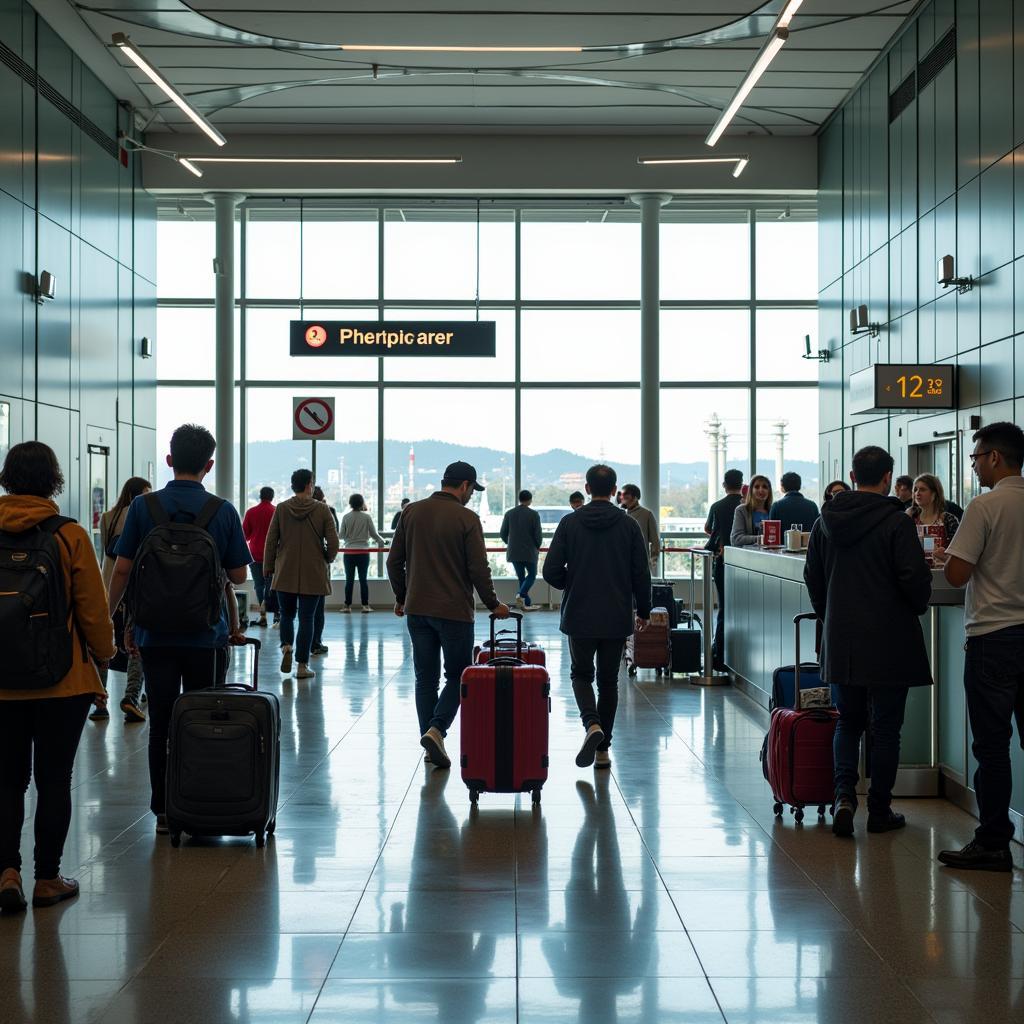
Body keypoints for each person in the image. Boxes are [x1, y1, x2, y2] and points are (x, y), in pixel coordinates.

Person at [107, 424, 251, 836]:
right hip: (206, 637)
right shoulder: (222, 511)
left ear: (169, 460)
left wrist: (108, 620)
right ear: (209, 464)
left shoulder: (143, 508)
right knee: (203, 719)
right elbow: (239, 576)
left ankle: (164, 811)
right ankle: (199, 801)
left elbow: (123, 568)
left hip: (154, 634)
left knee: (162, 722)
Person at [0, 442, 116, 911]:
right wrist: (105, 655)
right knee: (53, 780)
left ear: (7, 478)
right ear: (55, 480)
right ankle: (47, 878)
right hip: (62, 681)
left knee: (5, 781)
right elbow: (93, 609)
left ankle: (6, 872)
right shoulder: (69, 535)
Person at [804, 445, 932, 838]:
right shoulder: (897, 523)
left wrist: (831, 615)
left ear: (854, 475)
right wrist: (916, 603)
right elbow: (913, 579)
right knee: (887, 728)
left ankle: (844, 795)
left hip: (843, 639)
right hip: (891, 639)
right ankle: (880, 809)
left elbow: (813, 576)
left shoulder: (826, 521)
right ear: (888, 478)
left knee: (848, 723)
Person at [934, 423, 1024, 872]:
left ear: (993, 457)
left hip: (995, 637)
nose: (973, 466)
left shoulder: (985, 506)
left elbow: (955, 575)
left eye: (975, 458)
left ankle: (993, 842)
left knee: (992, 749)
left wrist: (952, 555)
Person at [386, 461, 510, 768]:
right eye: (472, 490)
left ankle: (430, 746)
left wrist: (402, 597)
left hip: (417, 609)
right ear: (465, 485)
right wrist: (493, 603)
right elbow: (478, 568)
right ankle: (436, 730)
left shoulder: (411, 512)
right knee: (458, 675)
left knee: (424, 679)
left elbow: (393, 562)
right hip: (454, 612)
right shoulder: (467, 518)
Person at [543, 464, 651, 769]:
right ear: (616, 491)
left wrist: (573, 583)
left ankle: (591, 724)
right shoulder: (629, 525)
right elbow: (641, 574)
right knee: (608, 681)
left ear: (587, 489)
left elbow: (550, 570)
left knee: (580, 674)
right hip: (616, 613)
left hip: (579, 612)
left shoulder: (569, 523)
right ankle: (603, 750)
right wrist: (643, 610)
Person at [263, 469, 339, 680]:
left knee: (286, 615)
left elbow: (271, 541)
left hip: (284, 570)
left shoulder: (282, 508)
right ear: (309, 485)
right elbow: (333, 542)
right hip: (313, 572)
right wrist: (327, 557)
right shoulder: (322, 510)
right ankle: (302, 666)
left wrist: (268, 566)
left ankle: (287, 646)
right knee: (307, 618)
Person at [93, 476, 151, 723]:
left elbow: (108, 552)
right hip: (135, 587)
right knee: (136, 642)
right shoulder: (142, 514)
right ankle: (132, 695)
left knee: (106, 642)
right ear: (140, 493)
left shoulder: (108, 517)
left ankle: (100, 702)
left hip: (109, 584)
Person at [704, 469, 744, 670]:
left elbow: (708, 528)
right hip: (745, 562)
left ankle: (719, 654)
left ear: (724, 485)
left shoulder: (717, 506)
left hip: (721, 560)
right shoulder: (746, 506)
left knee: (724, 608)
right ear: (742, 483)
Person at [340, 492, 385, 614]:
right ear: (361, 503)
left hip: (348, 552)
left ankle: (347, 606)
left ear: (350, 504)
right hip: (363, 552)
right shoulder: (367, 517)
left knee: (349, 580)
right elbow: (374, 534)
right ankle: (365, 606)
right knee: (363, 580)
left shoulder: (345, 517)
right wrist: (382, 542)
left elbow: (341, 535)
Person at [500, 489, 543, 612]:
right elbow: (538, 535)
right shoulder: (534, 514)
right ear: (530, 500)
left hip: (514, 551)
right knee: (532, 575)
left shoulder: (509, 513)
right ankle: (520, 595)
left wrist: (510, 544)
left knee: (522, 578)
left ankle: (526, 604)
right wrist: (537, 546)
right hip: (530, 551)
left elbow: (503, 533)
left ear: (519, 499)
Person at [242, 486, 277, 628]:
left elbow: (245, 535)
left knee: (259, 584)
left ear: (260, 496)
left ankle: (262, 616)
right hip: (273, 554)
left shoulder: (251, 512)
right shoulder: (276, 511)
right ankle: (276, 614)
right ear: (272, 497)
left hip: (255, 553)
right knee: (273, 585)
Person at [907, 473, 960, 548]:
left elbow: (957, 550)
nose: (917, 493)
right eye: (915, 490)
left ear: (934, 494)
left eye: (922, 489)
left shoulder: (948, 520)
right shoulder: (911, 518)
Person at [619, 484, 660, 570]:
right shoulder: (619, 514)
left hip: (640, 561)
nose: (623, 499)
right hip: (621, 560)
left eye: (626, 497)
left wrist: (653, 560)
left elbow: (654, 540)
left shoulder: (646, 514)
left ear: (635, 498)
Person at [730, 475, 773, 547]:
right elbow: (736, 539)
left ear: (769, 491)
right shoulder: (741, 510)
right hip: (748, 556)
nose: (761, 490)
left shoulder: (773, 510)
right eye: (757, 487)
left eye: (765, 487)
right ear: (751, 490)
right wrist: (761, 539)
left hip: (771, 556)